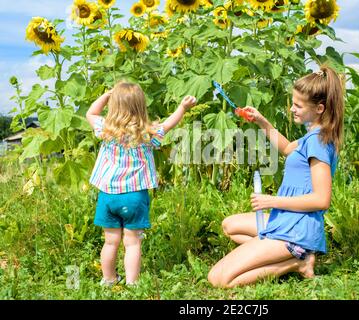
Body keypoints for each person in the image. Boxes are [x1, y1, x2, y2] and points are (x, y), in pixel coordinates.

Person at [208, 66, 344, 288]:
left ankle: (294, 261)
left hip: (296, 230)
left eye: (298, 105)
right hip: (286, 219)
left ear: (319, 108)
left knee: (218, 279)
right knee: (229, 225)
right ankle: (287, 254)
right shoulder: (311, 137)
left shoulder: (319, 143)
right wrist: (262, 121)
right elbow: (287, 148)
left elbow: (322, 200)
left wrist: (273, 201)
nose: (292, 109)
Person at [86, 81, 196, 286]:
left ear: (114, 105)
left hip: (108, 195)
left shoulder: (106, 130)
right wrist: (182, 107)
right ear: (141, 106)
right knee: (133, 243)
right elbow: (169, 124)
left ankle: (109, 279)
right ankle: (132, 283)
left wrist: (107, 95)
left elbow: (90, 113)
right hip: (135, 196)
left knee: (110, 242)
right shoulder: (147, 133)